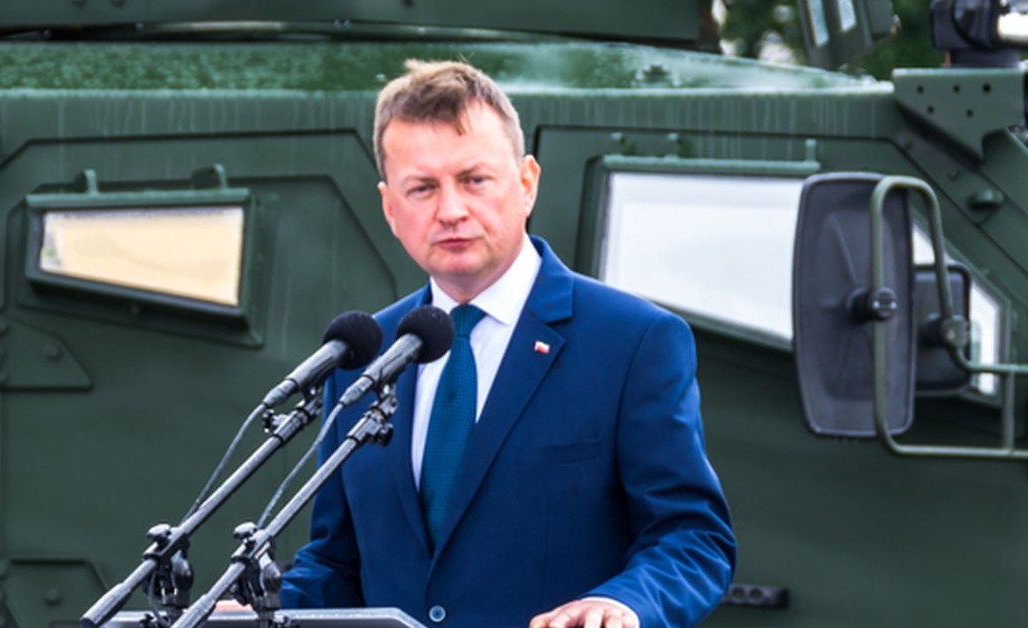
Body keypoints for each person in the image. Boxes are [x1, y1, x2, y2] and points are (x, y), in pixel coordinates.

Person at [280, 59, 735, 628]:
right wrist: (251, 613)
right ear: (390, 208)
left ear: (526, 183)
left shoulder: (632, 342)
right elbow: (336, 563)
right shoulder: (364, 358)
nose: (451, 211)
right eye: (422, 188)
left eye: (474, 180)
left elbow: (692, 537)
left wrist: (625, 604)